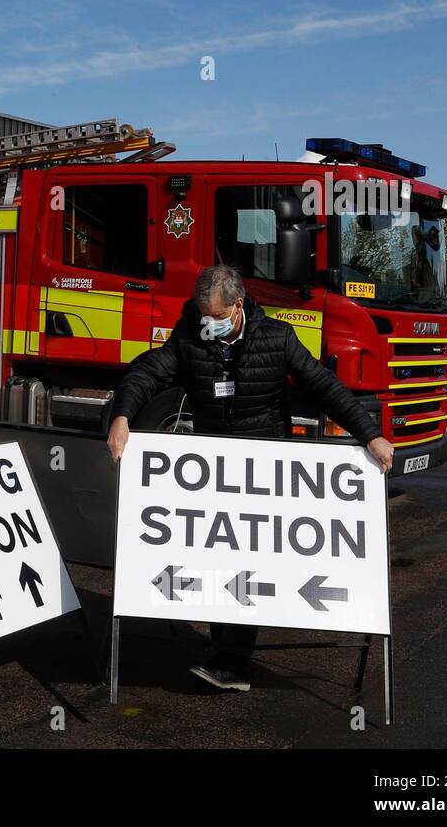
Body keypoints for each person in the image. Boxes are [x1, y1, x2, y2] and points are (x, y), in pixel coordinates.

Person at [107, 264, 395, 692]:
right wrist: (123, 415)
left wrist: (370, 436)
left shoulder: (278, 337)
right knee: (217, 557)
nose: (209, 323)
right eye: (203, 314)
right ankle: (229, 654)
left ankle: (233, 659)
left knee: (249, 561)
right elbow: (146, 374)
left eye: (217, 315)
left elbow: (324, 386)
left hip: (262, 474)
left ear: (238, 306)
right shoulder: (189, 337)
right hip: (211, 474)